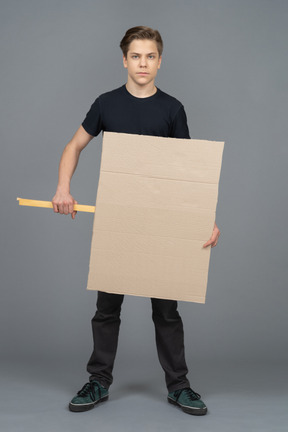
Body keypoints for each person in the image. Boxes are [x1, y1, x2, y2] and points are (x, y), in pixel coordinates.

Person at [52, 26, 220, 416]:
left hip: (162, 224)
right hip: (118, 221)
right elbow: (73, 145)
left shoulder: (172, 109)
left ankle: (179, 386)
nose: (142, 64)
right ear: (124, 60)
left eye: (150, 56)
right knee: (107, 309)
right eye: (135, 56)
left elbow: (189, 173)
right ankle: (98, 382)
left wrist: (205, 218)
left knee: (166, 311)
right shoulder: (106, 103)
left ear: (160, 61)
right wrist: (63, 188)